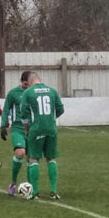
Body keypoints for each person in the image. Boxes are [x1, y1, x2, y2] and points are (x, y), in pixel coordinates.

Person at [19, 72, 65, 200]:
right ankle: (54, 191)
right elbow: (61, 109)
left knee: (34, 159)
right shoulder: (52, 91)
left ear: (29, 82)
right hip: (51, 129)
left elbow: (23, 114)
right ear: (40, 80)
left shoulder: (27, 93)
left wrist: (27, 129)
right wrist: (50, 118)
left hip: (36, 129)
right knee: (51, 159)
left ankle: (34, 192)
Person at [0, 71, 32, 196]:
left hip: (32, 129)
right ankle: (13, 183)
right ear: (21, 82)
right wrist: (3, 125)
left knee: (31, 158)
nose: (26, 87)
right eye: (25, 85)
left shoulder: (34, 93)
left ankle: (31, 186)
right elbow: (6, 109)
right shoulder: (13, 93)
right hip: (18, 128)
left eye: (28, 85)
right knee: (20, 153)